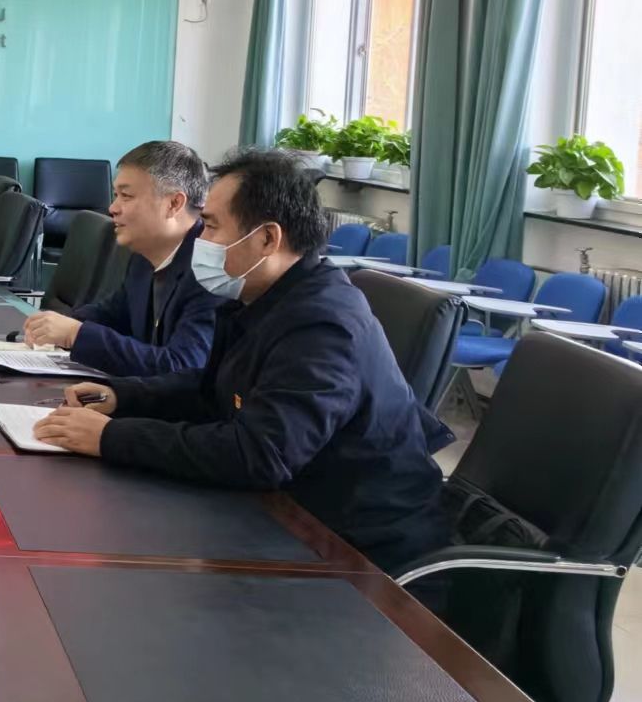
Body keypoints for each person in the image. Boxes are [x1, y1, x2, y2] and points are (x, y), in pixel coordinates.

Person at [34, 148, 449, 572]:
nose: (199, 239)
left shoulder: (322, 324)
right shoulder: (257, 296)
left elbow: (260, 454)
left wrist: (111, 437)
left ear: (268, 239)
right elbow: (211, 389)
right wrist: (122, 397)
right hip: (284, 511)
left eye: (211, 226)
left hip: (356, 552)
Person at [20, 140, 223, 377]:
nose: (112, 208)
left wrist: (76, 334)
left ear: (174, 204)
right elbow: (112, 315)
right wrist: (52, 325)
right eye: (115, 195)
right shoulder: (144, 256)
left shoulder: (210, 271)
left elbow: (183, 368)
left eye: (126, 196)